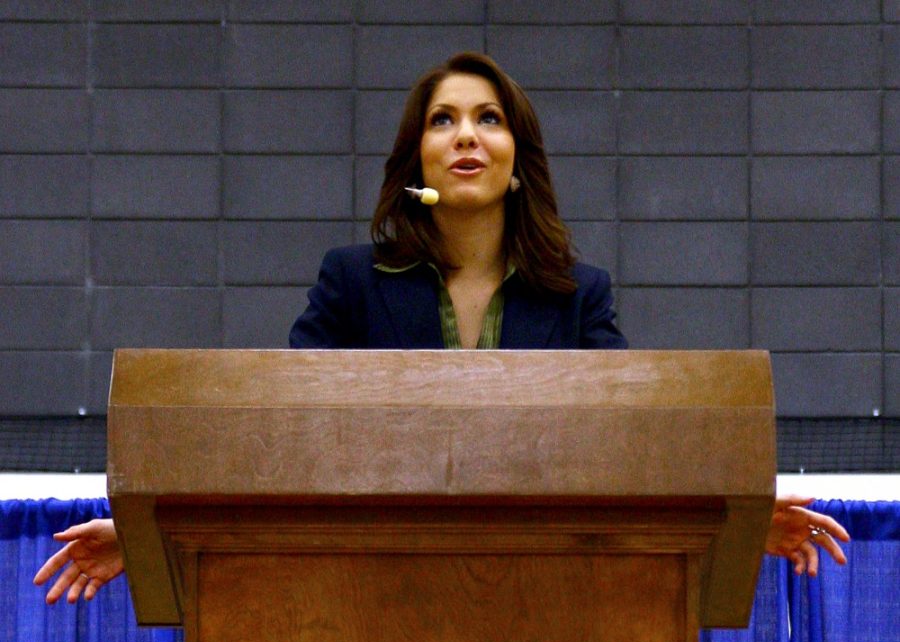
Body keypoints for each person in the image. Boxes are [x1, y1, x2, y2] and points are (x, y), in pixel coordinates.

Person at [34, 52, 850, 604]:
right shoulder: (352, 282)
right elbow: (272, 432)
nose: (465, 134)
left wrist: (733, 510)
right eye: (443, 121)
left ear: (517, 160)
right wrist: (156, 525)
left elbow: (635, 443)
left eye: (488, 118)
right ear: (417, 160)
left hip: (547, 600)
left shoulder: (577, 296)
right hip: (365, 596)